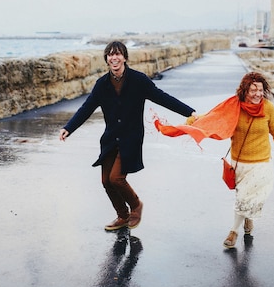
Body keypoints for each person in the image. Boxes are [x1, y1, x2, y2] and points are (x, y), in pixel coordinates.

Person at [59, 41, 196, 231]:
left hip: (131, 138)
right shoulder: (102, 84)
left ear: (124, 57)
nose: (114, 58)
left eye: (118, 54)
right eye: (110, 55)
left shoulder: (138, 80)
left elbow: (163, 98)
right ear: (106, 59)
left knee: (116, 178)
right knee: (106, 181)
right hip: (110, 138)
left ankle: (136, 205)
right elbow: (86, 108)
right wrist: (69, 127)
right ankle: (122, 216)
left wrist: (190, 113)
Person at [154, 71, 274, 248]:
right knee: (243, 197)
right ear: (244, 91)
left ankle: (233, 232)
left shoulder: (268, 107)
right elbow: (213, 117)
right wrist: (193, 122)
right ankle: (247, 219)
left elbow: (273, 126)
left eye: (260, 90)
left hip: (261, 161)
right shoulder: (234, 106)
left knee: (249, 196)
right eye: (252, 90)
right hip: (240, 161)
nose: (257, 94)